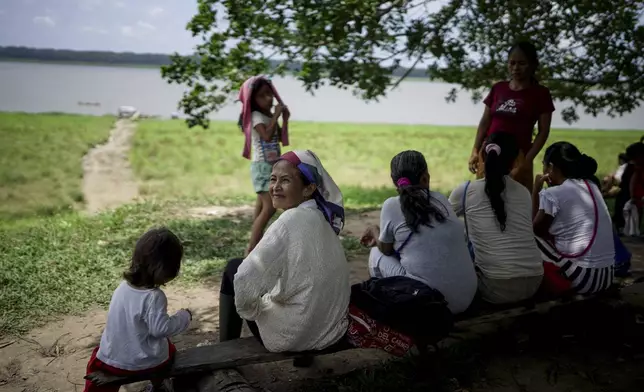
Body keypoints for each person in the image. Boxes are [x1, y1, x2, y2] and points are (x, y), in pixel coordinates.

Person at [218, 150, 350, 353]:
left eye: (285, 180)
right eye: (273, 179)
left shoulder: (290, 221)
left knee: (233, 269)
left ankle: (224, 348)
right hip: (328, 331)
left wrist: (250, 310)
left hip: (295, 336)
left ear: (308, 189)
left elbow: (245, 277)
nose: (275, 187)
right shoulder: (320, 217)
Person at [360, 150, 477, 314]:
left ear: (395, 183)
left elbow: (385, 249)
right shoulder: (442, 199)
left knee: (375, 254)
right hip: (465, 298)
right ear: (425, 178)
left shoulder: (392, 204)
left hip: (429, 303)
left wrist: (374, 231)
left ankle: (390, 304)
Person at [84, 228, 192, 392]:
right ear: (168, 269)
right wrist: (184, 317)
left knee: (96, 363)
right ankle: (159, 385)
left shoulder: (122, 288)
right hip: (145, 363)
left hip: (113, 360)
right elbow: (160, 329)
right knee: (168, 351)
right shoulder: (154, 296)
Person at [449, 132, 543, 304]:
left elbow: (442, 225)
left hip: (495, 288)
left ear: (482, 156)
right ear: (515, 161)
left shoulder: (465, 191)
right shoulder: (523, 192)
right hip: (534, 282)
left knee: (463, 240)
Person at [468, 41, 555, 191]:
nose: (516, 68)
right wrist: (475, 151)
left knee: (518, 204)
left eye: (521, 63)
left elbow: (543, 131)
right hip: (489, 154)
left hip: (518, 157)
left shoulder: (540, 93)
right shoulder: (498, 88)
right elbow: (485, 122)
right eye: (512, 63)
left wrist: (527, 160)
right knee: (485, 199)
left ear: (533, 64)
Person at [533, 142, 615, 296]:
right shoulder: (591, 185)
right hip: (606, 276)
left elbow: (536, 230)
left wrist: (535, 190)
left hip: (583, 279)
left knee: (527, 237)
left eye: (544, 165)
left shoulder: (554, 194)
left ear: (550, 167)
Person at [239, 75, 291, 255]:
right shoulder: (255, 116)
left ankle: (254, 244)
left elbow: (277, 136)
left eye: (270, 94)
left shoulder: (267, 115)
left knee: (261, 208)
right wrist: (276, 115)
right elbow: (266, 136)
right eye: (262, 96)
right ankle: (252, 249)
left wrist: (283, 119)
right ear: (253, 99)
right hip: (262, 167)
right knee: (270, 207)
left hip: (272, 167)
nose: (268, 99)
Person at [614, 143, 644, 234]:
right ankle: (625, 228)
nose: (633, 161)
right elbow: (631, 181)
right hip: (632, 195)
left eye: (634, 158)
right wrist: (632, 195)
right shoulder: (634, 167)